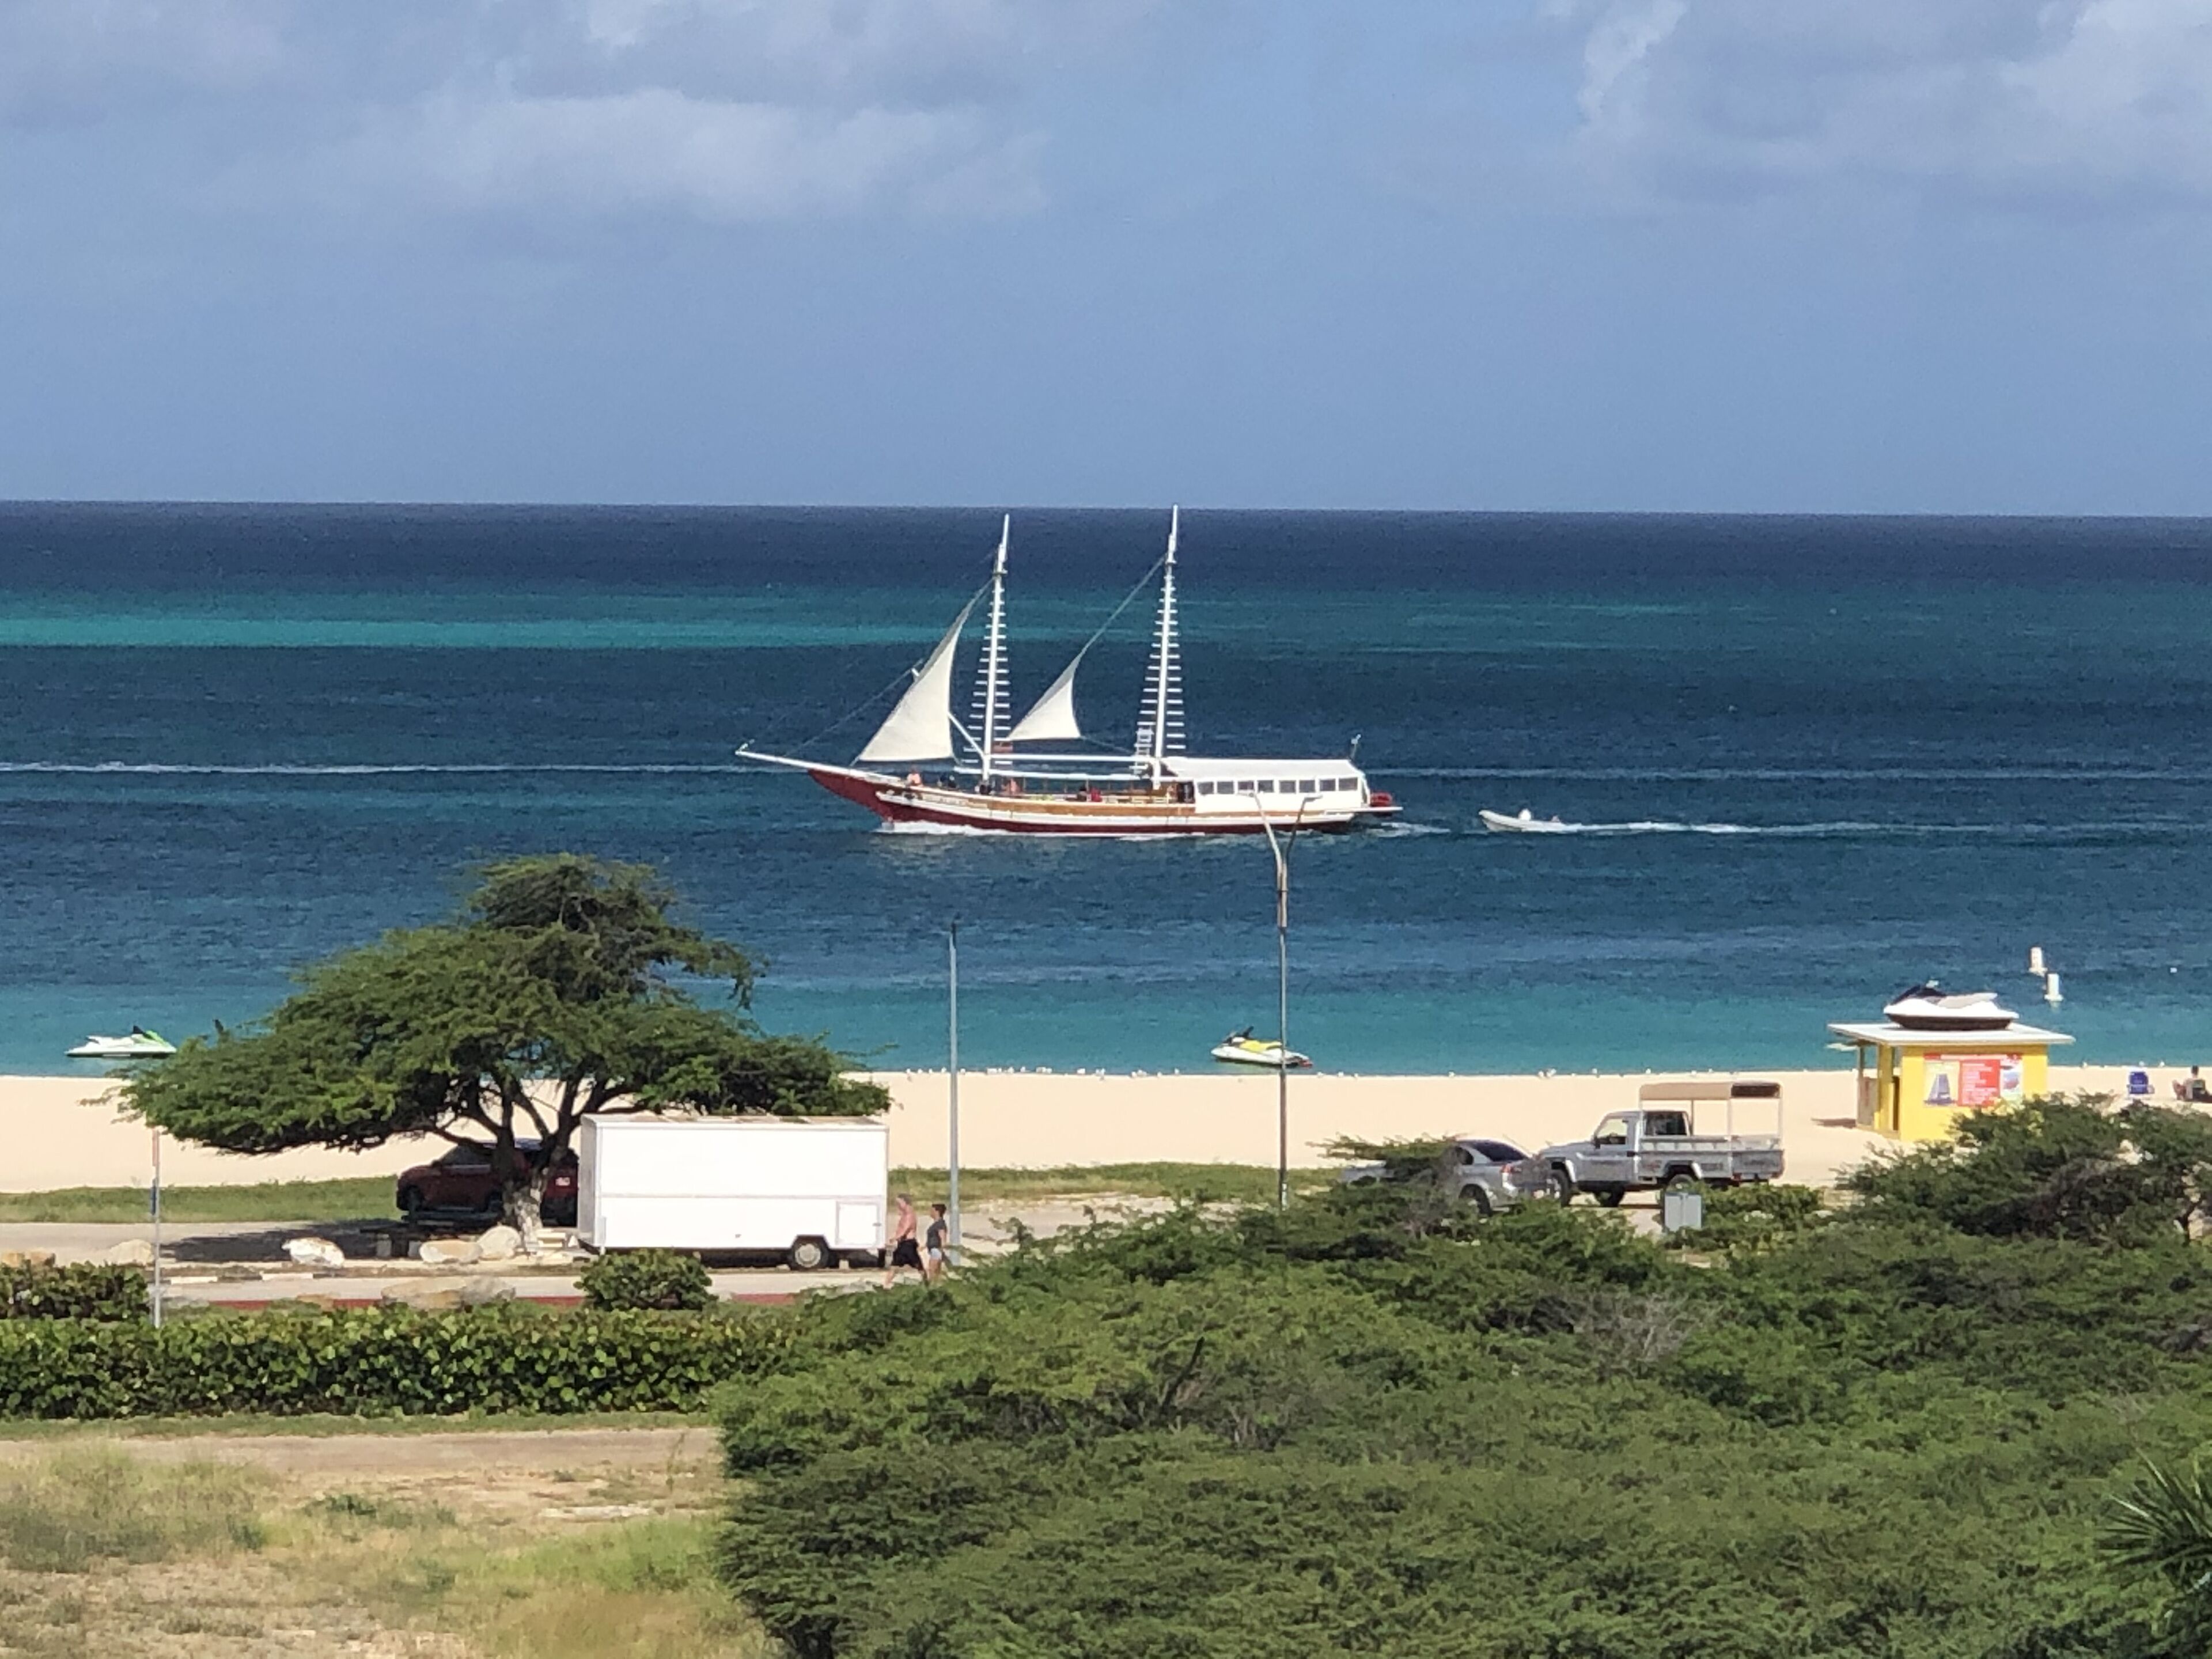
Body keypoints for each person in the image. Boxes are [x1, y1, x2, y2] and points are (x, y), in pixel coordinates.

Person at [882, 1193, 923, 1287]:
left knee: (918, 1265)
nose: (898, 1206)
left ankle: (927, 1282)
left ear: (905, 1202)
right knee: (894, 1265)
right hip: (903, 1244)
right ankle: (886, 1284)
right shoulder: (904, 1214)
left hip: (908, 1244)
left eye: (900, 1203)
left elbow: (906, 1229)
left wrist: (895, 1238)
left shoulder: (910, 1215)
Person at [923, 1202, 950, 1283]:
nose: (930, 1212)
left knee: (932, 1271)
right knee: (935, 1272)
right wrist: (925, 1246)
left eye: (932, 1210)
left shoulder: (940, 1224)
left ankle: (932, 1286)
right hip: (933, 1250)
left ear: (937, 1212)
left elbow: (943, 1238)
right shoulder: (936, 1224)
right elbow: (933, 1237)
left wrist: (942, 1250)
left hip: (936, 1250)